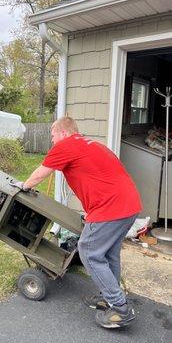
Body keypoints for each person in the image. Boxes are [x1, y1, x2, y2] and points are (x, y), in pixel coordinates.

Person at [14, 116, 142, 329]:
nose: (52, 140)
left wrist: (24, 185)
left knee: (88, 251)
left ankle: (120, 308)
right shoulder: (91, 144)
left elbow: (40, 174)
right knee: (109, 254)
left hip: (111, 208)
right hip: (129, 205)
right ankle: (109, 296)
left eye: (53, 135)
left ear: (63, 133)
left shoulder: (66, 144)